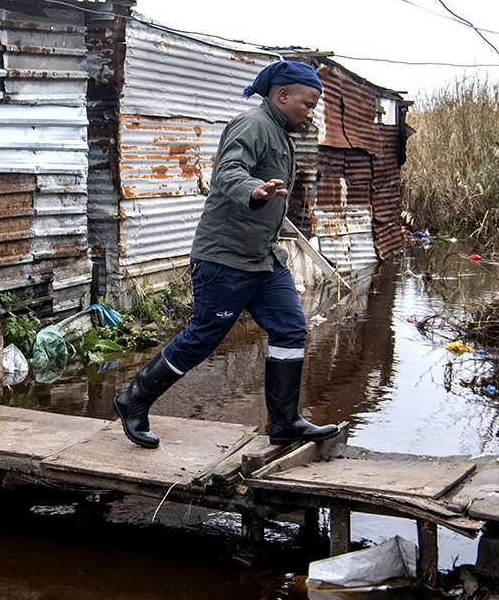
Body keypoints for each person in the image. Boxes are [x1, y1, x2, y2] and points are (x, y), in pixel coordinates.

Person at [113, 59, 341, 449]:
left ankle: (285, 422)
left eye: (314, 106)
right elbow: (227, 171)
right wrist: (253, 190)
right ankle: (133, 400)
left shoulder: (281, 132)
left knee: (290, 329)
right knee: (203, 338)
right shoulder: (252, 125)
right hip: (225, 260)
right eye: (307, 103)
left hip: (264, 260)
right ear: (282, 95)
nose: (310, 112)